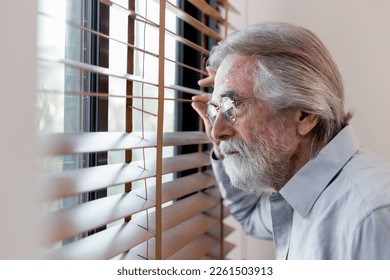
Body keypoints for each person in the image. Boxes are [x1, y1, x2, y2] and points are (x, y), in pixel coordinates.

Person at [191, 22, 390, 259]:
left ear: (304, 115)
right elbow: (251, 214)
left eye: (232, 106)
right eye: (216, 110)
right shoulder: (299, 190)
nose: (216, 131)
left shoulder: (372, 218)